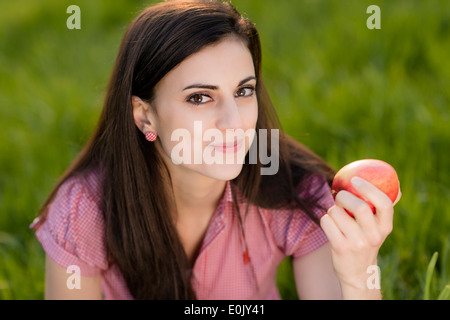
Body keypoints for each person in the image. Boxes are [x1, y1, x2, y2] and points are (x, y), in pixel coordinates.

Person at [31, 0, 401, 300]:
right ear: (145, 116)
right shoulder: (84, 211)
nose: (233, 121)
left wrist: (358, 274)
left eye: (243, 91)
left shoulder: (292, 189)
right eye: (199, 97)